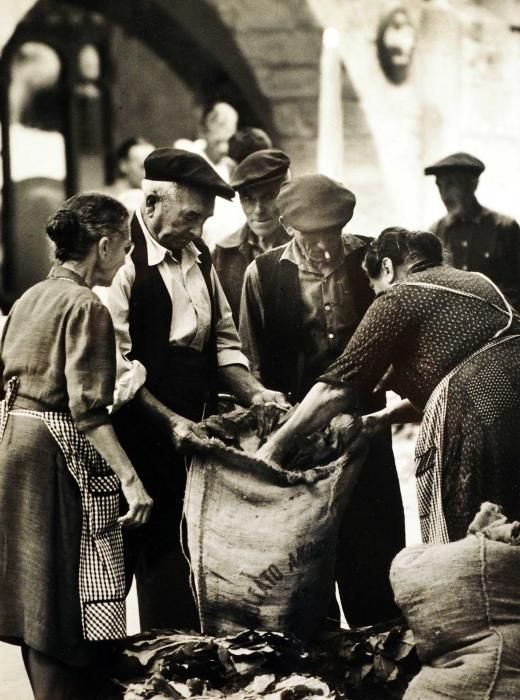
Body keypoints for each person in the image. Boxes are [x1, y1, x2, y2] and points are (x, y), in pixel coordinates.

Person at [104, 147, 289, 632]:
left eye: (204, 221)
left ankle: (183, 663)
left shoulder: (199, 256)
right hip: (137, 433)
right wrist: (171, 422)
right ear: (152, 206)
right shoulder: (121, 266)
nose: (198, 230)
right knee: (135, 560)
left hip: (192, 434)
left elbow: (224, 343)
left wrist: (254, 392)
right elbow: (118, 368)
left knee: (188, 561)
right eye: (190, 217)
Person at [258, 226, 520, 546]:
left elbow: (336, 388)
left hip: (477, 436)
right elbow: (451, 387)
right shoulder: (479, 282)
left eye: (375, 288)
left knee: (474, 547)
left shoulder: (398, 296)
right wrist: (379, 419)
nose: (377, 296)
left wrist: (274, 448)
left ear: (386, 268)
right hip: (511, 421)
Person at [0, 193, 153, 699]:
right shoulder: (86, 305)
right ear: (104, 246)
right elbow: (88, 410)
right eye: (127, 247)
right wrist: (132, 480)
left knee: (34, 587)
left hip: (13, 444)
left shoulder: (29, 298)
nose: (127, 257)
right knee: (64, 593)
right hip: (53, 451)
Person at [240, 175, 405, 627]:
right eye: (312, 239)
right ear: (288, 228)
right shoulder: (264, 274)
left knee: (375, 552)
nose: (326, 249)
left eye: (332, 236)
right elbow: (253, 365)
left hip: (366, 431)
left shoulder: (372, 259)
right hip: (300, 441)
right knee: (307, 561)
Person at [425, 151, 520, 309]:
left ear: (473, 184)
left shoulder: (504, 228)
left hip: (499, 325)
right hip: (452, 325)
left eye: (451, 184)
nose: (444, 195)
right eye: (439, 185)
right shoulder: (436, 232)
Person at [212, 149, 291, 325]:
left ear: (288, 195)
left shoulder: (306, 246)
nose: (258, 210)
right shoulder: (222, 254)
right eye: (248, 199)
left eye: (269, 196)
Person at [105, 137, 155, 212]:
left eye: (154, 167)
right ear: (123, 165)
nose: (151, 173)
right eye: (142, 166)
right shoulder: (103, 201)